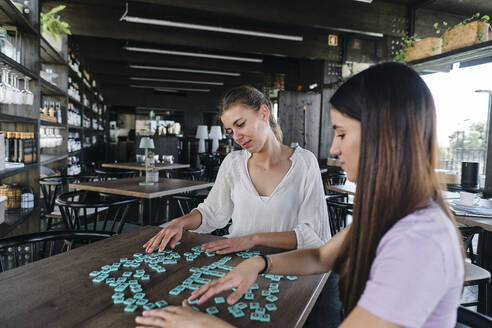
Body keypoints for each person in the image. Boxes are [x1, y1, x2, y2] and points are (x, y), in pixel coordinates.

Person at [135, 63, 464, 328]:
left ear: (385, 134)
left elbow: (313, 240)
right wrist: (258, 263)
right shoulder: (391, 214)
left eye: (342, 133)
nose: (334, 148)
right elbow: (321, 256)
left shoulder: (418, 240)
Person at [143, 85, 330, 255]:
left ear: (264, 113)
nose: (237, 137)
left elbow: (313, 234)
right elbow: (212, 213)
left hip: (286, 268)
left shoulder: (305, 162)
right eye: (231, 130)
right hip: (236, 264)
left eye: (240, 124)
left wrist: (253, 239)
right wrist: (180, 222)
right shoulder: (233, 163)